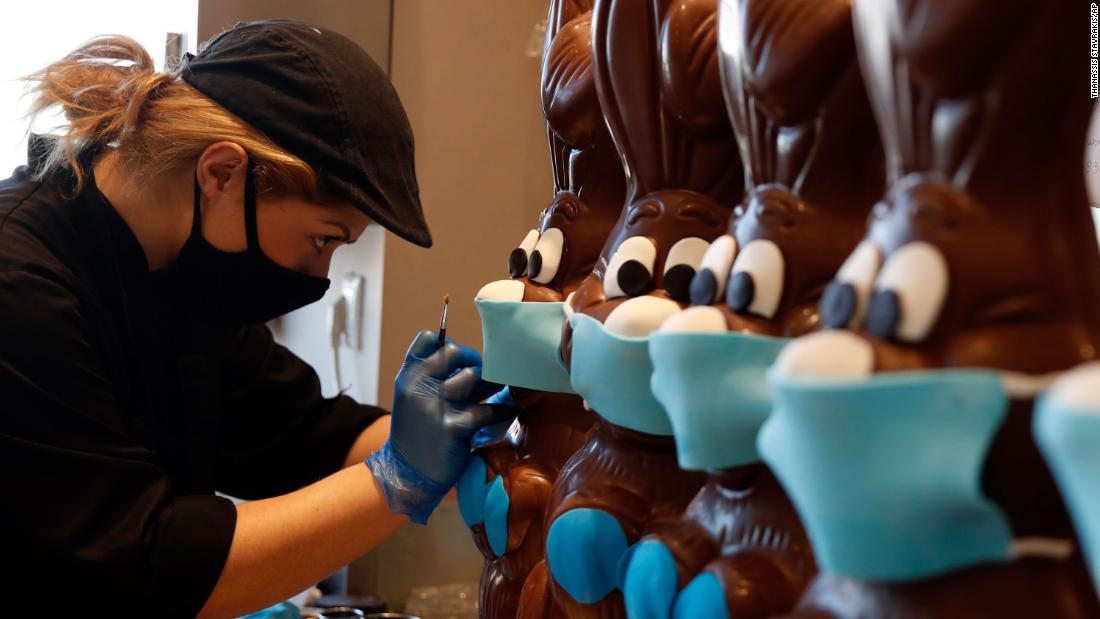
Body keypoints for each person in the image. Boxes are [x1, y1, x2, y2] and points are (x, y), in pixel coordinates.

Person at [0, 19, 509, 619]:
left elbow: (301, 431)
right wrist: (398, 479)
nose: (318, 274)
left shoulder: (177, 282)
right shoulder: (21, 292)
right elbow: (140, 567)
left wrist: (467, 432)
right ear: (221, 173)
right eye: (322, 239)